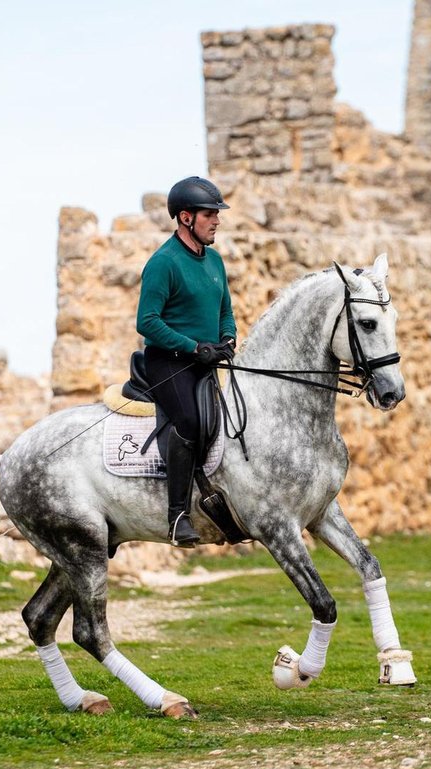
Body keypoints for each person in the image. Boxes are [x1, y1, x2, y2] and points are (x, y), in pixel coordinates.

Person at [136, 176, 238, 547]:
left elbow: (225, 309)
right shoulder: (164, 263)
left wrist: (227, 338)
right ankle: (177, 514)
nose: (216, 220)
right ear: (185, 218)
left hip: (206, 359)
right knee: (192, 422)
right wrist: (194, 348)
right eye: (209, 214)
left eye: (217, 214)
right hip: (168, 363)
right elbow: (146, 322)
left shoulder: (214, 260)